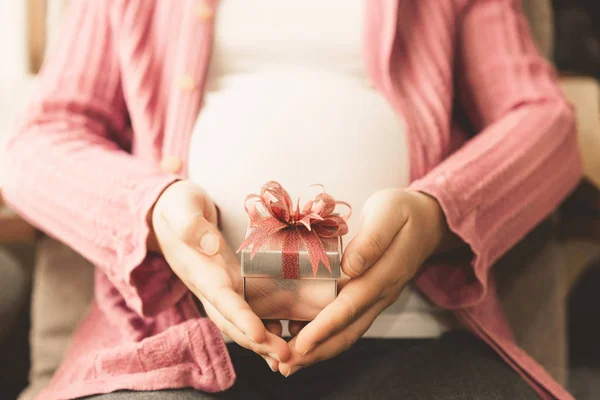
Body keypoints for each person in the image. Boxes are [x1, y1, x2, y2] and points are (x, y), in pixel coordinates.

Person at [2, 0, 581, 399]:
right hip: (170, 346)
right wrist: (152, 211)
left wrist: (440, 211)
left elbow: (546, 122)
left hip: (415, 333)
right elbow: (37, 140)